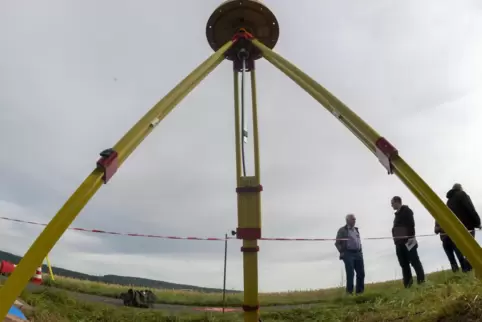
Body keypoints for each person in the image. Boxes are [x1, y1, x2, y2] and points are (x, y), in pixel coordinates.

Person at [444, 183, 481, 272]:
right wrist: (478, 222)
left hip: (456, 229)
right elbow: (470, 208)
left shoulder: (448, 202)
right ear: (460, 188)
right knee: (471, 248)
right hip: (468, 226)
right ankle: (474, 269)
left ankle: (467, 271)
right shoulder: (462, 195)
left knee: (463, 250)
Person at [391, 196, 425, 288]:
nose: (391, 205)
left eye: (392, 203)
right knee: (404, 264)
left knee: (415, 261)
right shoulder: (396, 215)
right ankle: (408, 285)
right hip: (399, 243)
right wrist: (396, 240)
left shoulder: (406, 211)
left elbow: (411, 225)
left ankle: (421, 282)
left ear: (398, 202)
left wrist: (409, 238)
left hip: (408, 241)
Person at [335, 214, 365, 295]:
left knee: (361, 273)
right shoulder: (342, 230)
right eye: (353, 219)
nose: (354, 220)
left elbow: (358, 241)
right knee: (350, 273)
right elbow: (337, 243)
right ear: (347, 220)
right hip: (348, 254)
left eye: (355, 219)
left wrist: (360, 251)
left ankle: (360, 292)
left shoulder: (356, 230)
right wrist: (342, 252)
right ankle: (349, 293)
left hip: (358, 253)